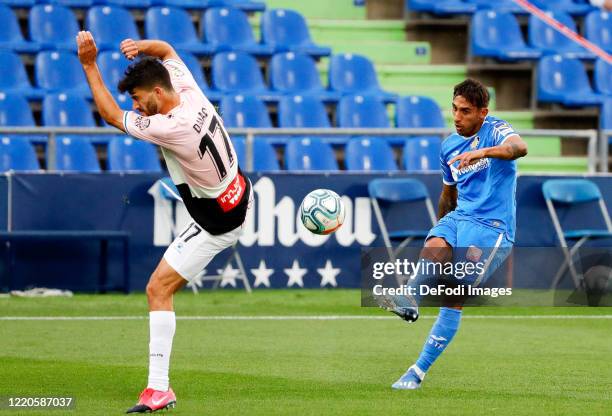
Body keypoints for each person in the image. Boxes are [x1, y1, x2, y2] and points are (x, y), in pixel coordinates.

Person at [75, 31, 252, 413]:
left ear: (157, 91)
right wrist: (143, 47)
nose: (137, 107)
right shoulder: (185, 87)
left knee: (158, 289)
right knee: (159, 288)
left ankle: (159, 389)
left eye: (138, 99)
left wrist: (89, 64)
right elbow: (168, 50)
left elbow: (109, 115)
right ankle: (158, 389)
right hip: (236, 194)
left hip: (216, 221)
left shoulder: (172, 126)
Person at [378, 79, 528, 390]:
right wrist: (442, 231)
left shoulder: (497, 129)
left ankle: (417, 371)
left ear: (482, 113)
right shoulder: (449, 146)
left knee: (453, 295)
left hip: (493, 227)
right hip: (460, 217)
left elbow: (519, 149)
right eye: (454, 109)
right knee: (434, 243)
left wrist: (483, 152)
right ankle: (410, 299)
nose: (457, 117)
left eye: (465, 111)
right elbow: (448, 194)